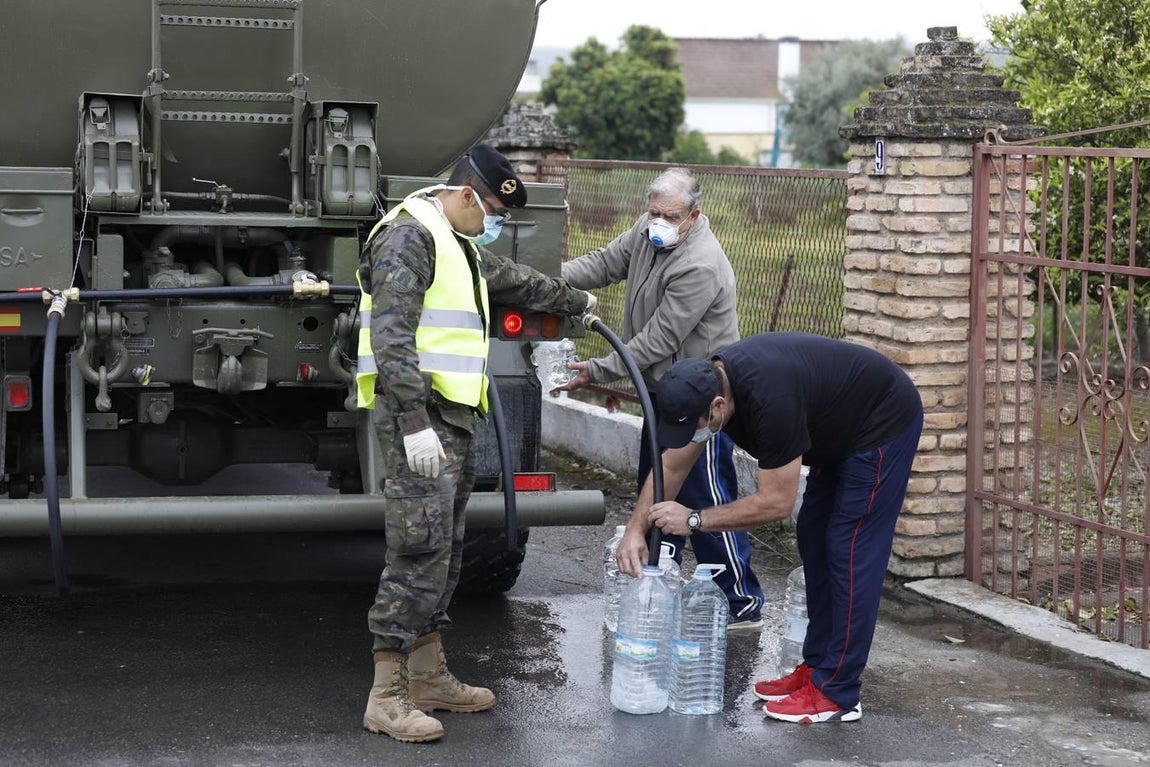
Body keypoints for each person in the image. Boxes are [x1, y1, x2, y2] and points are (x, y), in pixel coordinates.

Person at [355, 144, 595, 743]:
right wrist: (412, 422)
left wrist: (577, 302)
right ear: (466, 196)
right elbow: (392, 339)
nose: (492, 226)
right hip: (421, 419)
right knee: (417, 550)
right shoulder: (408, 238)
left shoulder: (454, 242)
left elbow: (509, 278)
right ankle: (385, 696)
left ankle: (429, 676)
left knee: (446, 549)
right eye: (490, 212)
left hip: (453, 419)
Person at [617, 332, 924, 723]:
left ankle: (838, 692)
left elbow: (776, 503)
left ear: (717, 406)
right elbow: (673, 465)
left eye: (694, 427)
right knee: (815, 537)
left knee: (849, 550)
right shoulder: (709, 389)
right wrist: (634, 530)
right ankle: (817, 668)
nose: (692, 437)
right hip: (837, 431)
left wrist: (694, 520)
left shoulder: (769, 400)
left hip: (881, 422)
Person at [558, 167, 765, 632]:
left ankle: (742, 601)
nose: (657, 221)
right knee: (655, 487)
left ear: (693, 215)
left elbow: (657, 340)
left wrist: (596, 370)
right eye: (652, 212)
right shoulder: (647, 229)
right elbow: (604, 263)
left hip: (702, 401)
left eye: (668, 215)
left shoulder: (700, 264)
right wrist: (545, 282)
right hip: (663, 393)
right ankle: (655, 578)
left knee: (706, 495)